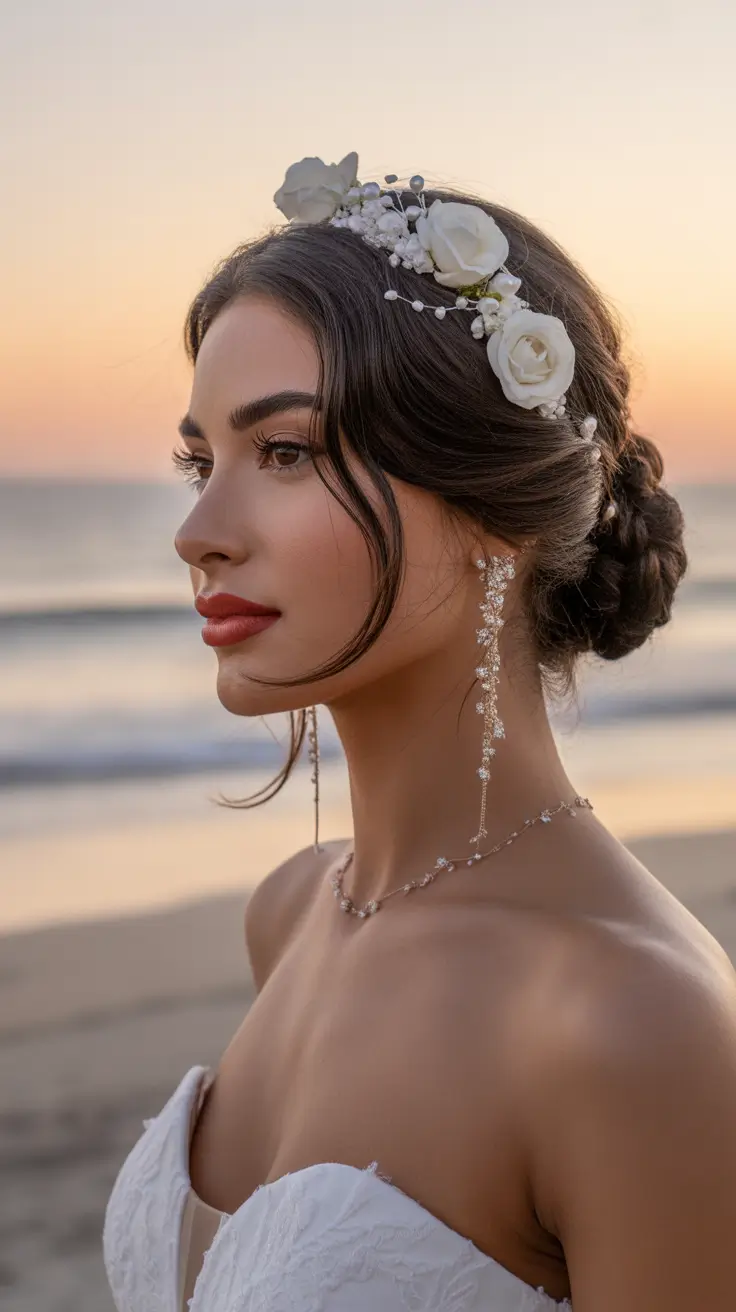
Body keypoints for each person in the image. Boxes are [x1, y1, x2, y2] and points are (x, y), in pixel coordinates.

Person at [102, 153, 736, 1311]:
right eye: (203, 460)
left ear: (491, 506)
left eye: (283, 451)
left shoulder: (630, 1023)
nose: (198, 528)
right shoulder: (291, 911)